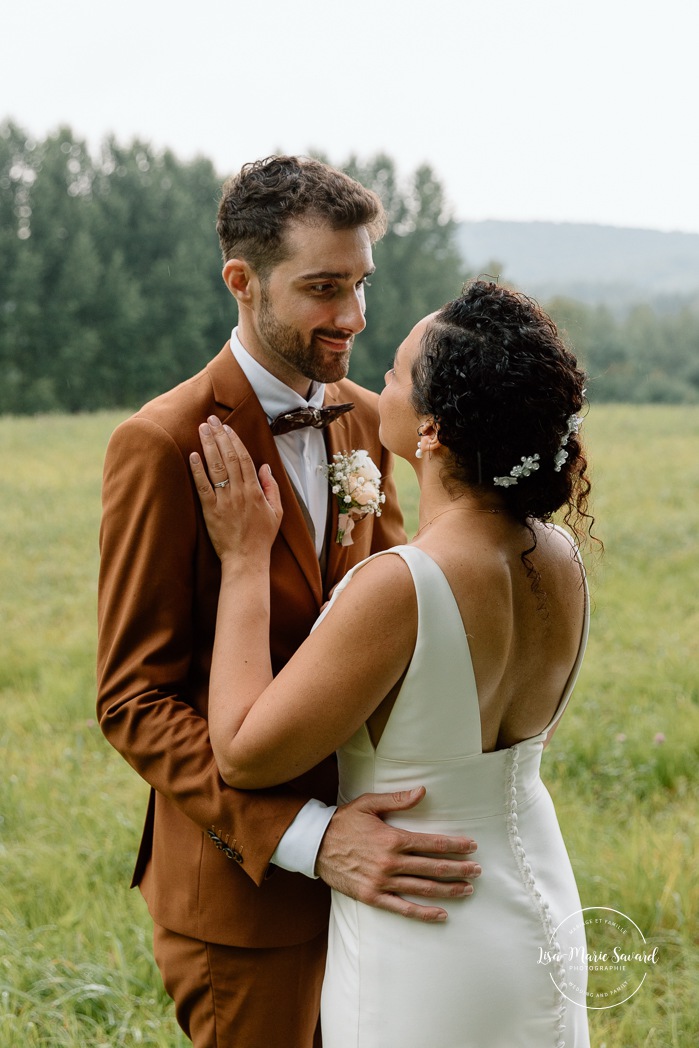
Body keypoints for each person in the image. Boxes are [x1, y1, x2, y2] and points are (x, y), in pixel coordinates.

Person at [96, 155, 481, 1048]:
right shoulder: (161, 444)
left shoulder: (364, 419)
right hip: (247, 900)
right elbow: (133, 702)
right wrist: (308, 838)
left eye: (359, 284)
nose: (351, 316)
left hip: (386, 874)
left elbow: (386, 612)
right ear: (242, 281)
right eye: (320, 288)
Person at [188, 280, 594, 1047]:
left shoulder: (402, 583)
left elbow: (243, 753)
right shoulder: (559, 557)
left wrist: (245, 560)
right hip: (536, 898)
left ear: (432, 429)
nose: (377, 383)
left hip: (426, 920)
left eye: (396, 375)